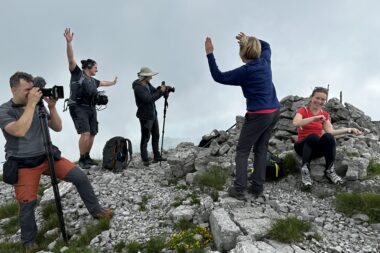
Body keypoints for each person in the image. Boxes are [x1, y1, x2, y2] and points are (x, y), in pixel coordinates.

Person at [0, 72, 113, 252]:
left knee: (79, 177)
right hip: (23, 164)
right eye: (27, 90)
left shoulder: (38, 105)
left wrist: (51, 107)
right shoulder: (5, 110)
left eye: (32, 89)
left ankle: (97, 211)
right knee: (28, 202)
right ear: (14, 89)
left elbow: (57, 127)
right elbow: (19, 130)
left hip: (47, 156)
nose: (32, 93)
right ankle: (29, 241)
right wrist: (31, 105)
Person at [205, 33, 281, 200]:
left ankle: (239, 189)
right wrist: (249, 39)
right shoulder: (265, 61)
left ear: (242, 53)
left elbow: (218, 76)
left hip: (258, 115)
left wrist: (210, 54)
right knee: (261, 148)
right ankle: (257, 188)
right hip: (274, 111)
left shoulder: (245, 71)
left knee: (242, 150)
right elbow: (267, 45)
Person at [64, 28, 117, 169]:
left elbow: (103, 82)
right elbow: (71, 60)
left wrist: (112, 83)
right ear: (88, 67)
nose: (97, 70)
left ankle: (87, 157)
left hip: (91, 108)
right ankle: (81, 159)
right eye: (95, 67)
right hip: (78, 107)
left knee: (92, 133)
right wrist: (69, 43)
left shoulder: (93, 80)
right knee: (85, 133)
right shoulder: (77, 74)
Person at [292, 87, 362, 188]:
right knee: (313, 137)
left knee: (328, 137)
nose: (319, 101)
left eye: (323, 99)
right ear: (311, 97)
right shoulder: (303, 111)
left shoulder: (324, 114)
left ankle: (330, 170)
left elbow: (331, 131)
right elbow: (296, 122)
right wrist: (314, 118)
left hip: (315, 149)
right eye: (317, 98)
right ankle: (305, 171)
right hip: (302, 147)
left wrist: (349, 129)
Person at [132, 67, 169, 166]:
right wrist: (161, 92)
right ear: (145, 76)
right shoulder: (138, 88)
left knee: (156, 135)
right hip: (145, 116)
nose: (151, 77)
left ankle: (156, 156)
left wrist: (161, 89)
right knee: (145, 137)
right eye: (150, 76)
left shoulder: (147, 84)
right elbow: (148, 99)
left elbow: (153, 91)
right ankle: (145, 159)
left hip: (152, 114)